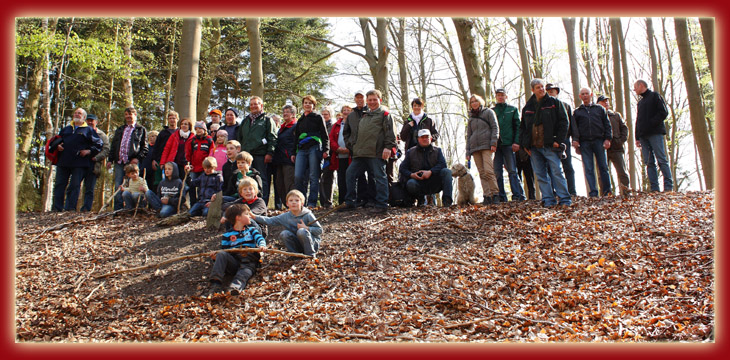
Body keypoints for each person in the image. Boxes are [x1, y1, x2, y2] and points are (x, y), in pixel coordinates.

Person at [519, 78, 572, 207]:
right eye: (538, 87)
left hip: (550, 145)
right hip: (534, 147)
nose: (542, 89)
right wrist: (525, 145)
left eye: (542, 86)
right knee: (540, 175)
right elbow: (523, 128)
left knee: (557, 172)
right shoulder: (528, 106)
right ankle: (549, 200)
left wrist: (558, 141)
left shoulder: (554, 103)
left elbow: (564, 122)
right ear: (533, 90)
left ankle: (565, 200)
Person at [342, 89, 397, 214]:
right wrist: (353, 145)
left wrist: (388, 147)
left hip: (376, 153)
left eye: (374, 99)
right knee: (350, 173)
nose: (372, 102)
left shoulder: (385, 114)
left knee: (379, 177)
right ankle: (350, 202)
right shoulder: (365, 115)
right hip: (360, 153)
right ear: (367, 101)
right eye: (370, 100)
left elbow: (391, 133)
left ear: (380, 100)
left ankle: (382, 204)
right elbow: (354, 133)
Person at [51, 108, 103, 212]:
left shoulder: (89, 130)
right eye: (75, 113)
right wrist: (58, 146)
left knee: (74, 186)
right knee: (59, 184)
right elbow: (56, 141)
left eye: (79, 113)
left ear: (84, 117)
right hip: (63, 161)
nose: (77, 114)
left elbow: (99, 144)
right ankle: (57, 208)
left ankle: (70, 208)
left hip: (79, 163)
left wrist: (89, 151)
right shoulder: (66, 129)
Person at [208, 203, 266, 295]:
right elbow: (225, 251)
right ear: (238, 217)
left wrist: (261, 245)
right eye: (247, 214)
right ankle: (215, 283)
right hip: (234, 262)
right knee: (222, 254)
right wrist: (216, 257)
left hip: (248, 262)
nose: (249, 216)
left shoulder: (251, 230)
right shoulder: (227, 235)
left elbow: (260, 238)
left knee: (243, 274)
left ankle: (234, 288)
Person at [252, 190, 322, 257]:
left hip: (312, 244)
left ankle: (310, 255)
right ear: (287, 204)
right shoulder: (285, 216)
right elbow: (270, 220)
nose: (294, 202)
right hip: (298, 244)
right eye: (291, 200)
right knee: (284, 233)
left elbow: (319, 230)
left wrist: (307, 228)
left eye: (297, 200)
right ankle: (294, 254)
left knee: (301, 231)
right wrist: (254, 216)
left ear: (302, 203)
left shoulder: (308, 215)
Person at [571, 87, 612, 197]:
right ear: (580, 96)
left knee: (603, 167)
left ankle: (607, 191)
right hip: (584, 143)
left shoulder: (600, 109)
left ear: (591, 95)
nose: (585, 96)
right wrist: (576, 142)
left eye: (587, 94)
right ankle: (593, 193)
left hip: (599, 141)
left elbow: (607, 125)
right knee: (588, 168)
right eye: (583, 94)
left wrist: (608, 139)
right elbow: (574, 129)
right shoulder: (577, 112)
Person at [237, 96, 277, 207]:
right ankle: (248, 204)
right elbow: (240, 138)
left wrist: (270, 153)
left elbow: (272, 138)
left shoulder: (267, 120)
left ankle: (262, 204)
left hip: (261, 155)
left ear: (261, 105)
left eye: (256, 104)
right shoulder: (245, 121)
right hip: (247, 156)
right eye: (251, 104)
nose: (254, 106)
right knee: (247, 179)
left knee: (262, 179)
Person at [634, 79, 672, 192]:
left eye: (635, 87)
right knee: (649, 162)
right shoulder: (640, 103)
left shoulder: (655, 96)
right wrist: (637, 137)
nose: (634, 89)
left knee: (661, 159)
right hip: (643, 136)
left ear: (641, 85)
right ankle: (654, 188)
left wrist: (651, 124)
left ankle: (668, 187)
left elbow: (663, 112)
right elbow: (638, 120)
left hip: (655, 133)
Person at [107, 107, 148, 211]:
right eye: (126, 115)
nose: (128, 117)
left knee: (134, 185)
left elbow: (145, 148)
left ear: (135, 115)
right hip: (119, 161)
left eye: (130, 114)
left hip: (132, 162)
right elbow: (114, 145)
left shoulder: (141, 129)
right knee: (118, 185)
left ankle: (135, 208)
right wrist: (110, 159)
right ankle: (118, 209)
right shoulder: (120, 129)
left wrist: (137, 158)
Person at [399, 129, 453, 207]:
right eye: (422, 137)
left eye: (426, 137)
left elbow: (443, 164)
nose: (424, 139)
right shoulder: (410, 152)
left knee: (447, 172)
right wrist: (412, 175)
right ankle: (420, 201)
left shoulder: (438, 151)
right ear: (418, 139)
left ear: (430, 138)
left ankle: (447, 202)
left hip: (434, 182)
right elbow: (402, 168)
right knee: (411, 183)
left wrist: (431, 172)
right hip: (418, 183)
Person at [293, 95, 329, 208]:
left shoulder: (318, 117)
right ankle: (300, 201)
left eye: (310, 103)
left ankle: (312, 203)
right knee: (298, 176)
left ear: (313, 105)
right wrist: (294, 153)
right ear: (303, 105)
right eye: (305, 103)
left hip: (314, 148)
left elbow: (324, 135)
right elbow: (296, 137)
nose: (307, 105)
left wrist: (326, 149)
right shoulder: (300, 120)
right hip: (302, 150)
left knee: (314, 176)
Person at [492, 88, 525, 202]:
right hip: (496, 146)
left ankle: (517, 195)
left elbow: (518, 127)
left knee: (512, 170)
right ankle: (501, 196)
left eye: (502, 95)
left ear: (506, 96)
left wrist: (517, 142)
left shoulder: (512, 110)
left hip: (509, 144)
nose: (500, 97)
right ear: (496, 97)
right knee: (497, 172)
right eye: (498, 95)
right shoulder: (492, 111)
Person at [466, 94, 500, 205]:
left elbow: (495, 127)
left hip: (487, 146)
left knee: (489, 171)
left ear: (480, 101)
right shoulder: (471, 118)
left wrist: (493, 142)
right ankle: (487, 195)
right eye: (472, 102)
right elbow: (469, 135)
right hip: (475, 148)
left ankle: (495, 194)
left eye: (476, 101)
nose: (474, 103)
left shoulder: (488, 112)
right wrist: (468, 151)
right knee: (481, 173)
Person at [545, 83, 577, 196]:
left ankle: (572, 191)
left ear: (557, 92)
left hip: (564, 139)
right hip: (549, 141)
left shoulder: (565, 105)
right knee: (551, 167)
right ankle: (555, 192)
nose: (550, 93)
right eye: (548, 91)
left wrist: (575, 138)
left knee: (567, 165)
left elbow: (571, 124)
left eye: (552, 91)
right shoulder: (543, 107)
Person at [598, 95, 630, 197]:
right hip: (603, 148)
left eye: (607, 101)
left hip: (617, 148)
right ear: (598, 104)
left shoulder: (616, 115)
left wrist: (620, 141)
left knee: (622, 172)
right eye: (603, 101)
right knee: (603, 172)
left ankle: (626, 193)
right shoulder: (597, 116)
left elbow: (624, 129)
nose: (606, 103)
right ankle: (605, 194)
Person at [80, 113, 110, 212]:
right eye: (88, 120)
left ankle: (86, 209)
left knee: (89, 188)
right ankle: (71, 207)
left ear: (96, 122)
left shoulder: (102, 135)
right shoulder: (80, 132)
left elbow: (106, 150)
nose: (89, 122)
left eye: (91, 120)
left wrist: (96, 158)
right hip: (79, 163)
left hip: (94, 164)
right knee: (75, 185)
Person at [273, 104, 298, 210]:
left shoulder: (296, 126)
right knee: (280, 184)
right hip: (279, 160)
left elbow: (297, 142)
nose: (285, 114)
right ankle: (286, 205)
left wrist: (294, 154)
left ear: (293, 114)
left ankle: (294, 205)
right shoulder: (282, 128)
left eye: (287, 112)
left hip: (289, 160)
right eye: (284, 112)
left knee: (289, 183)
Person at [185, 121, 214, 205]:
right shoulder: (193, 140)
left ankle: (201, 203)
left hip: (204, 168)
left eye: (200, 129)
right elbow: (188, 153)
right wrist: (187, 164)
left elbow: (211, 153)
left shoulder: (209, 140)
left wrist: (208, 164)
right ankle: (193, 204)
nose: (198, 131)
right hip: (194, 168)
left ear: (204, 130)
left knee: (202, 186)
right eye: (196, 129)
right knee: (192, 185)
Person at [149, 111, 179, 190]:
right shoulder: (163, 133)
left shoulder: (180, 133)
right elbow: (156, 147)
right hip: (161, 160)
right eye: (170, 118)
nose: (172, 120)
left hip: (176, 160)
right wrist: (154, 159)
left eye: (174, 118)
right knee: (159, 181)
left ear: (177, 119)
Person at [329, 105, 352, 205]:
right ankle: (342, 202)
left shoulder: (354, 123)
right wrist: (337, 148)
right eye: (344, 110)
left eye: (348, 110)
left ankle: (351, 201)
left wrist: (349, 149)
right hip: (339, 156)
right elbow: (331, 139)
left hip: (351, 156)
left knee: (351, 178)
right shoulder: (336, 124)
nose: (346, 112)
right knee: (341, 179)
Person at [319, 106, 336, 208]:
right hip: (319, 155)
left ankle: (328, 201)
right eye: (323, 114)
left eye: (326, 114)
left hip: (330, 155)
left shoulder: (333, 126)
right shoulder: (318, 125)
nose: (324, 116)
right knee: (320, 179)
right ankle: (322, 201)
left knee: (328, 178)